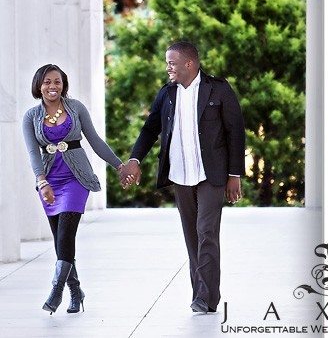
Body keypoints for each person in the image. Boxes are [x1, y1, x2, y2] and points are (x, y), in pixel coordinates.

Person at [121, 41, 245, 313]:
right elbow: (150, 129)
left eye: (172, 63)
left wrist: (234, 175)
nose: (168, 67)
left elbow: (235, 132)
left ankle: (204, 297)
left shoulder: (219, 89)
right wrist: (134, 159)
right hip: (180, 174)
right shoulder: (167, 94)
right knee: (192, 237)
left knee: (206, 232)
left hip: (212, 175)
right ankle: (202, 295)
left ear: (189, 64)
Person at [22, 64, 125, 314]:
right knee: (61, 241)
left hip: (76, 179)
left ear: (63, 85)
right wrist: (41, 181)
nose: (52, 86)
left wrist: (118, 165)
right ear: (38, 85)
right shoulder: (30, 117)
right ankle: (76, 290)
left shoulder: (76, 108)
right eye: (47, 82)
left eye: (57, 81)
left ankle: (56, 291)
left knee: (67, 234)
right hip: (49, 182)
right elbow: (32, 152)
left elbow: (95, 140)